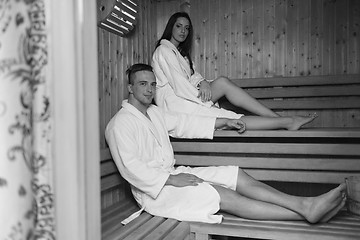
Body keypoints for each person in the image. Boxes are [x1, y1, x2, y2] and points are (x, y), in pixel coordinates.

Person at [105, 63, 346, 225]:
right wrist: (170, 180)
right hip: (154, 192)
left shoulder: (155, 113)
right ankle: (305, 211)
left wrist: (224, 123)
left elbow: (185, 122)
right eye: (142, 84)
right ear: (130, 88)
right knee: (219, 194)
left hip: (171, 175)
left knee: (234, 175)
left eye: (152, 84)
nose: (149, 89)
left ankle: (304, 206)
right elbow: (131, 168)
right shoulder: (120, 124)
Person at [152, 12, 316, 131]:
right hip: (176, 104)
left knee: (222, 83)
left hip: (187, 96)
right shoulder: (164, 51)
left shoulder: (180, 54)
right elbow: (180, 85)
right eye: (179, 26)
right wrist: (206, 104)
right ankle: (285, 121)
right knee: (230, 117)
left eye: (187, 28)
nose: (183, 31)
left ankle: (280, 119)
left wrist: (203, 83)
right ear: (170, 28)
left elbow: (193, 75)